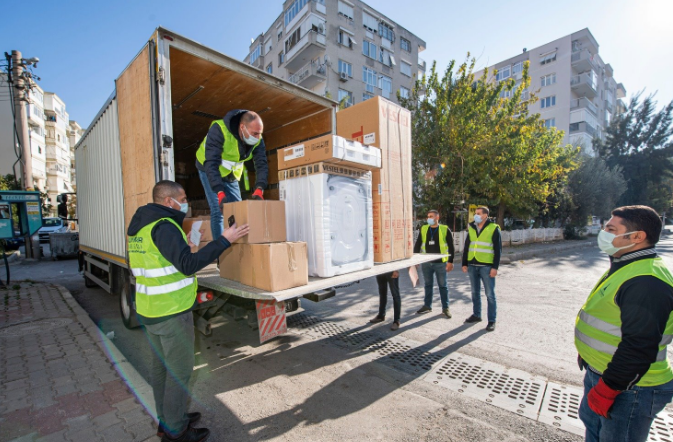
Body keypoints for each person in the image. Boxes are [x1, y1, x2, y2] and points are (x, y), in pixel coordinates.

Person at [127, 180, 249, 442]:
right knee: (179, 371)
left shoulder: (142, 226)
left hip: (151, 309)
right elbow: (187, 265)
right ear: (168, 201)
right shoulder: (165, 226)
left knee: (161, 368)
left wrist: (187, 247)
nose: (186, 202)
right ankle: (176, 430)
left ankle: (168, 418)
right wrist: (224, 241)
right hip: (170, 311)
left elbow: (157, 262)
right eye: (182, 198)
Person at [576, 205, 673, 442]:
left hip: (630, 389)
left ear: (637, 237)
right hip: (602, 374)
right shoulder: (626, 266)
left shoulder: (646, 280)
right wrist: (588, 355)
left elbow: (639, 346)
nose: (604, 233)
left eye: (611, 229)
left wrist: (608, 388)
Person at [195, 110, 268, 240]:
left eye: (259, 134)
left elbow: (261, 163)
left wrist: (259, 188)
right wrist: (220, 192)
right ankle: (220, 254)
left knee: (237, 210)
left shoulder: (257, 139)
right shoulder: (219, 129)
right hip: (209, 168)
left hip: (231, 173)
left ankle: (238, 250)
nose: (257, 138)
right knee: (218, 211)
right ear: (242, 127)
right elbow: (211, 163)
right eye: (254, 134)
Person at [462, 206, 501, 332]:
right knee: (474, 292)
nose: (476, 215)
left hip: (486, 266)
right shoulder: (472, 227)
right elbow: (467, 245)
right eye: (475, 213)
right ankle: (476, 315)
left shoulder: (493, 228)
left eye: (478, 213)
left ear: (485, 215)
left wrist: (495, 267)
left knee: (490, 294)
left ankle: (491, 321)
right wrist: (464, 263)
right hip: (472, 264)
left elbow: (498, 249)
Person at [414, 210, 455, 318]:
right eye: (428, 217)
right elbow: (418, 244)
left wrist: (450, 262)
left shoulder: (445, 229)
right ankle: (427, 305)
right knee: (428, 285)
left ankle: (445, 308)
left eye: (431, 216)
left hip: (440, 263)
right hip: (426, 263)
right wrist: (415, 260)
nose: (429, 219)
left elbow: (451, 247)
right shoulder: (424, 229)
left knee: (443, 286)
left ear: (437, 217)